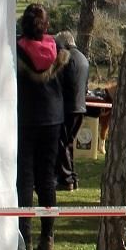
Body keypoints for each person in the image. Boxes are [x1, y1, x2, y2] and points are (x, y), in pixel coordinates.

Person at [16, 4, 70, 250]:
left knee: (25, 179)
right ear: (46, 26)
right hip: (52, 119)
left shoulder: (15, 50)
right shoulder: (57, 50)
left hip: (25, 118)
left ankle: (23, 236)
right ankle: (47, 237)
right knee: (46, 179)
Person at [54, 31, 89, 191]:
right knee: (68, 144)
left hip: (68, 107)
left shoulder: (67, 57)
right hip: (80, 107)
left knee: (62, 143)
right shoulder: (83, 58)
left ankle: (66, 179)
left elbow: (61, 82)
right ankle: (72, 177)